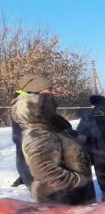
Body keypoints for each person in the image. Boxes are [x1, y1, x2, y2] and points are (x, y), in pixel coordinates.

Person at [11, 75, 94, 205]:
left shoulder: (46, 121)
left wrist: (76, 139)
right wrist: (80, 180)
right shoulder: (35, 128)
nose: (53, 94)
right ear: (35, 95)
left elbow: (58, 136)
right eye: (48, 90)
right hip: (62, 196)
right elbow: (45, 172)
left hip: (70, 192)